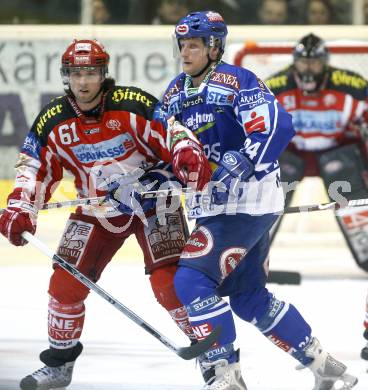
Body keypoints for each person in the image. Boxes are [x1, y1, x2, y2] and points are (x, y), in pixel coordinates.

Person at [160, 11, 358, 389]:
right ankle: (323, 364)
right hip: (218, 207)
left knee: (191, 279)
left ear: (214, 46)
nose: (185, 52)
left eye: (194, 45)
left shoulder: (237, 81)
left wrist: (237, 165)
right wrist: (147, 179)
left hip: (244, 204)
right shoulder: (173, 93)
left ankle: (225, 374)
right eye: (182, 44)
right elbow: (169, 150)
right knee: (247, 296)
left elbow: (277, 126)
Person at [0, 38, 211, 389]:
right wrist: (21, 205)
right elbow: (34, 166)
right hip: (97, 207)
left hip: (154, 201)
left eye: (91, 73)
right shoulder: (53, 120)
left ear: (103, 73)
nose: (83, 82)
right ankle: (59, 365)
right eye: (76, 73)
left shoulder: (132, 104)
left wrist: (186, 154)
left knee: (169, 284)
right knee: (64, 286)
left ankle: (212, 357)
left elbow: (173, 132)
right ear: (67, 75)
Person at [264, 33, 368, 361]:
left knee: (350, 194)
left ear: (326, 63)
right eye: (304, 61)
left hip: (337, 149)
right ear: (294, 62)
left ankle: (365, 247)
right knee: (267, 200)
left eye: (314, 61)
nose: (309, 67)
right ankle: (249, 256)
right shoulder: (275, 85)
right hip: (291, 151)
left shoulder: (351, 84)